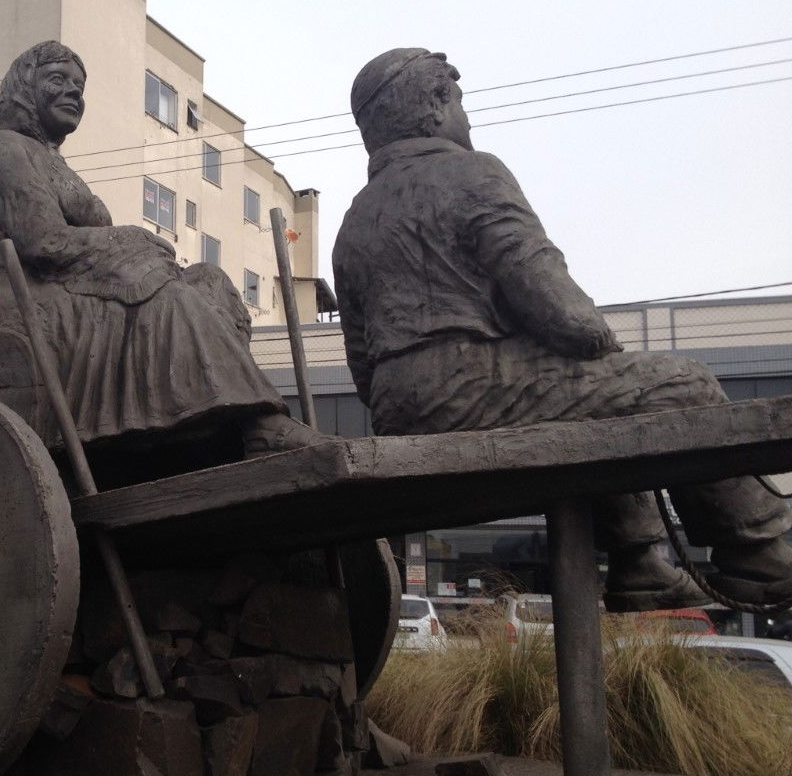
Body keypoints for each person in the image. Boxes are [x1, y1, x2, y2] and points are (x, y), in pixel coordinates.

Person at [333, 48, 792, 611]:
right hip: (469, 390)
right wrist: (600, 343)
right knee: (679, 385)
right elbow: (559, 310)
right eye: (460, 101)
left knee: (596, 399)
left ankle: (641, 561)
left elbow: (361, 366)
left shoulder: (353, 221)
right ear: (435, 104)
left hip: (397, 410)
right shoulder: (473, 172)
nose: (467, 118)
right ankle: (759, 555)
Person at [0, 41, 321, 472]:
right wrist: (130, 240)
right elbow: (43, 243)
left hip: (70, 280)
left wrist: (128, 245)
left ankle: (221, 424)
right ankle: (258, 425)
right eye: (57, 80)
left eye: (79, 85)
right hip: (25, 292)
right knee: (168, 297)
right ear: (23, 90)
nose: (74, 92)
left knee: (209, 280)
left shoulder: (56, 164)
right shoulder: (3, 147)